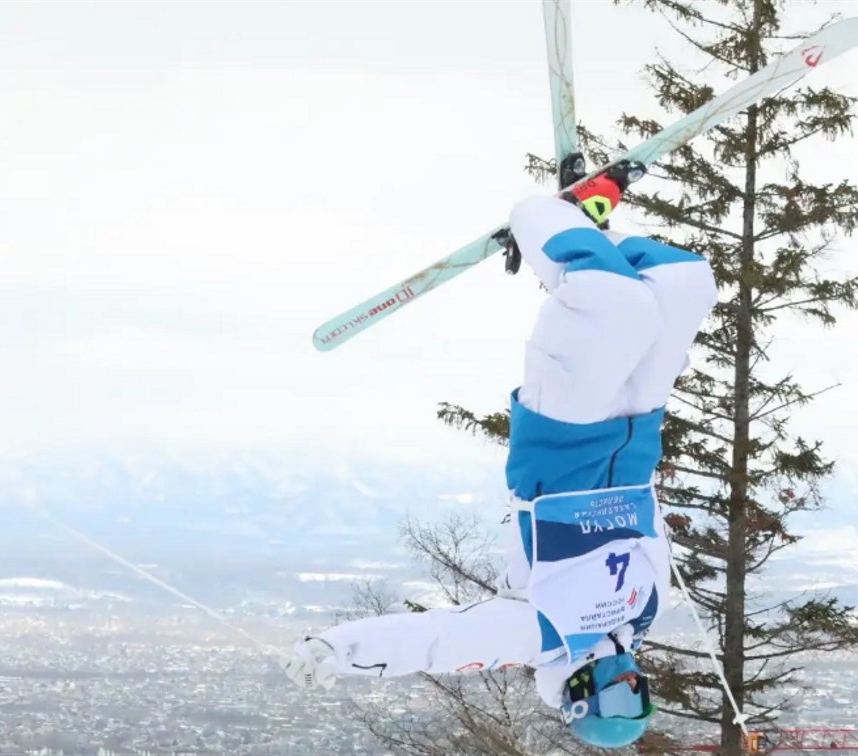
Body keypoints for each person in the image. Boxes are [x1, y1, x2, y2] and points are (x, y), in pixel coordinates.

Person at [283, 171, 718, 750]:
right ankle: (585, 232)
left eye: (620, 700)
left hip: (561, 451)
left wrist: (341, 650)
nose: (633, 683)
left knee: (610, 306)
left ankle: (539, 216)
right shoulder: (644, 612)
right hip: (636, 439)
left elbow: (439, 641)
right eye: (642, 696)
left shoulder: (543, 636)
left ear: (580, 696)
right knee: (685, 282)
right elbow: (651, 528)